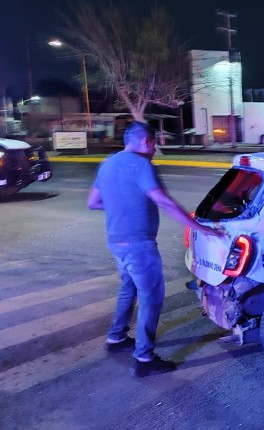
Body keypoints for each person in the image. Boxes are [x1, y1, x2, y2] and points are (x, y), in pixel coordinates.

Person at [87, 121, 223, 377]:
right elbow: (164, 202)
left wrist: (123, 205)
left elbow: (93, 202)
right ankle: (144, 358)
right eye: (153, 143)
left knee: (128, 287)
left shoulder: (108, 164)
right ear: (145, 141)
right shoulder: (141, 165)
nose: (154, 148)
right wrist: (201, 229)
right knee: (151, 296)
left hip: (117, 241)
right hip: (139, 245)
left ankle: (116, 337)